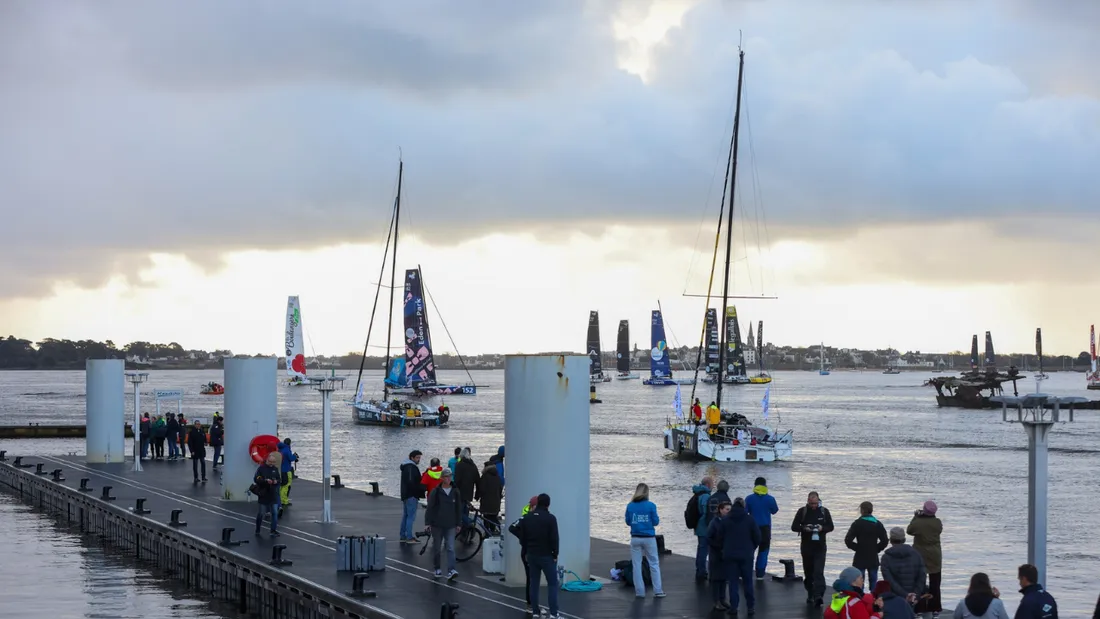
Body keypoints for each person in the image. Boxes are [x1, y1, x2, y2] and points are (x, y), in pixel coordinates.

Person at [511, 493, 560, 618]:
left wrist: (526, 547)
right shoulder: (551, 518)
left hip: (532, 554)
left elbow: (520, 534)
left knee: (534, 583)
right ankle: (554, 614)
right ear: (548, 504)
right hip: (546, 555)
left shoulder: (527, 517)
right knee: (552, 584)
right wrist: (555, 553)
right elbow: (554, 538)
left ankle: (535, 612)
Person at [712, 497, 761, 615]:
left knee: (733, 582)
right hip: (746, 555)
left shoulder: (725, 520)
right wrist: (751, 548)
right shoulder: (750, 519)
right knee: (748, 582)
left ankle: (734, 607)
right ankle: (750, 607)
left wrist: (724, 548)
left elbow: (719, 537)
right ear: (744, 506)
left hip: (730, 555)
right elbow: (758, 537)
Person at [791, 490, 834, 607]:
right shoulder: (802, 511)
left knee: (818, 571)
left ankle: (818, 595)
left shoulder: (824, 511)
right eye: (811, 504)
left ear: (818, 501)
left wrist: (822, 528)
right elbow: (794, 527)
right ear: (808, 502)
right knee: (809, 572)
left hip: (820, 547)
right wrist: (804, 528)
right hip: (806, 547)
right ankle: (810, 592)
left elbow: (831, 526)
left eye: (815, 503)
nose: (813, 506)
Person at [625, 482, 665, 598]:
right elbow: (655, 522)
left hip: (635, 537)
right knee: (654, 563)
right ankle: (658, 590)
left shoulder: (630, 506)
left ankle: (639, 592)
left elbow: (628, 521)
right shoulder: (651, 505)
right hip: (649, 538)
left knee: (636, 565)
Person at [424, 468, 461, 580]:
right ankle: (437, 568)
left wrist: (458, 523)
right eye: (446, 476)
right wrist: (428, 523)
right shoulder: (436, 492)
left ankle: (451, 570)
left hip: (451, 524)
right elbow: (430, 507)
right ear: (442, 478)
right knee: (437, 548)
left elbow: (458, 508)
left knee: (450, 548)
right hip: (437, 524)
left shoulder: (455, 491)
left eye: (450, 476)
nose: (448, 479)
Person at [907, 501, 943, 616]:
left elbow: (909, 530)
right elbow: (938, 530)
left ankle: (919, 607)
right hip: (935, 555)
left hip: (920, 554)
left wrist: (916, 516)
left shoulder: (918, 522)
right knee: (935, 582)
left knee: (919, 582)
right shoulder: (937, 522)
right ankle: (935, 607)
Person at [845, 501, 889, 589]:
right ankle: (873, 597)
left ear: (861, 510)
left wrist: (857, 548)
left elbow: (848, 540)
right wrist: (876, 548)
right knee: (873, 582)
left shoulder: (857, 523)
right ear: (871, 510)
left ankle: (860, 596)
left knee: (859, 582)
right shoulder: (877, 524)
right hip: (873, 556)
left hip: (860, 556)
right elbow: (885, 540)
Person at [508, 496, 539, 612]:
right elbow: (512, 528)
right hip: (528, 551)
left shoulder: (534, 517)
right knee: (531, 578)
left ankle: (533, 604)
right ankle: (530, 604)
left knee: (533, 578)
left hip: (532, 550)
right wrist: (523, 538)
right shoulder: (526, 517)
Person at [745, 476, 779, 580]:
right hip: (765, 528)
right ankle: (760, 574)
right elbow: (774, 511)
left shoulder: (749, 498)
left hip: (752, 528)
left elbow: (745, 512)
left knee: (749, 551)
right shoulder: (770, 499)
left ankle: (746, 572)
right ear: (765, 485)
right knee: (763, 551)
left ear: (755, 485)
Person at [879, 527, 926, 604]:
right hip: (914, 598)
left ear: (890, 540)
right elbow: (922, 576)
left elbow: (889, 580)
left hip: (895, 598)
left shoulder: (886, 558)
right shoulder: (916, 554)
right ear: (904, 539)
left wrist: (905, 595)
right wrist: (915, 594)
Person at [707, 500, 733, 611]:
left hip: (725, 553)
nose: (728, 511)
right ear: (721, 510)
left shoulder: (729, 522)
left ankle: (722, 599)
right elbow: (708, 538)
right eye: (727, 509)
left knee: (724, 578)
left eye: (730, 510)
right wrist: (718, 546)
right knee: (716, 579)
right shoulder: (714, 522)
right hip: (716, 554)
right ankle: (716, 601)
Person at [690, 476, 714, 582]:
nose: (713, 486)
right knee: (704, 550)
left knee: (701, 549)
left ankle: (699, 570)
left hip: (698, 526)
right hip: (704, 527)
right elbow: (706, 513)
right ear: (708, 484)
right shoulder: (705, 496)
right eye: (712, 484)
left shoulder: (697, 494)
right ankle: (701, 572)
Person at [253, 452, 282, 537]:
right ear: (267, 461)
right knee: (261, 513)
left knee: (274, 513)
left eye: (273, 462)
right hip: (264, 494)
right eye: (270, 462)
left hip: (273, 494)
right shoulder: (261, 469)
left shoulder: (275, 469)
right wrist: (265, 481)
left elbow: (279, 479)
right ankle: (258, 529)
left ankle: (273, 530)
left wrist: (276, 481)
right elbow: (256, 479)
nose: (272, 464)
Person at [399, 450, 424, 544]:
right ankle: (409, 537)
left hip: (406, 494)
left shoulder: (406, 466)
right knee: (410, 517)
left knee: (406, 516)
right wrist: (419, 489)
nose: (419, 459)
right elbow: (411, 482)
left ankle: (403, 535)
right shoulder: (411, 467)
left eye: (419, 458)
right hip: (411, 495)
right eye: (417, 457)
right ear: (411, 457)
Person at [454, 447, 480, 520]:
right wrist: (477, 495)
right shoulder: (473, 466)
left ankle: (468, 523)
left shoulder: (459, 465)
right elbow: (478, 481)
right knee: (466, 512)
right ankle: (466, 525)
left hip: (460, 493)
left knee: (459, 513)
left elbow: (457, 480)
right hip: (469, 494)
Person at [477, 460, 503, 528]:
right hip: (496, 502)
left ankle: (487, 532)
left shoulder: (485, 477)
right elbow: (500, 489)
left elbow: (481, 489)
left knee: (486, 519)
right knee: (493, 518)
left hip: (486, 503)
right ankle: (494, 530)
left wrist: (477, 496)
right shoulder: (497, 477)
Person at [276, 439, 298, 510]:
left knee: (281, 485)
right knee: (286, 485)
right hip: (286, 470)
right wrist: (295, 456)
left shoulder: (280, 449)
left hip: (280, 470)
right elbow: (291, 458)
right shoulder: (287, 450)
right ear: (289, 443)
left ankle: (280, 499)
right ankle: (284, 501)